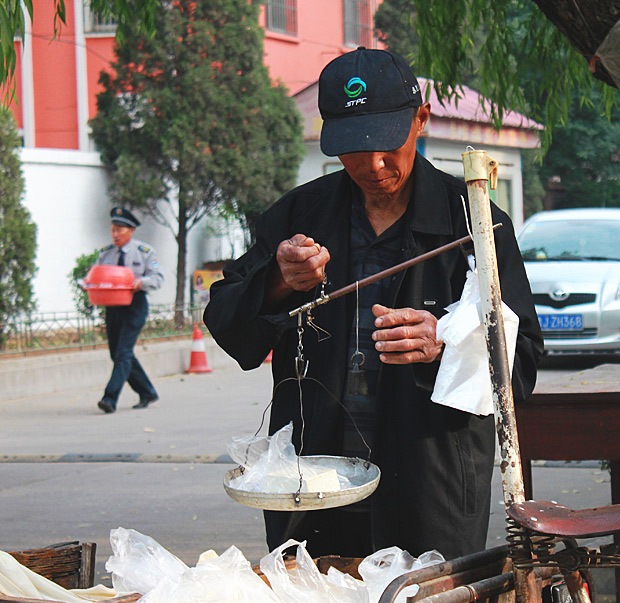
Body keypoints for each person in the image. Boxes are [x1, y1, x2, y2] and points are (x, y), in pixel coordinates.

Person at [204, 48, 542, 561]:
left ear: (421, 120)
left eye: (386, 144)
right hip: (314, 488)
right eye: (354, 149)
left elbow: (523, 367)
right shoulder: (300, 214)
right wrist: (277, 280)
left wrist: (446, 343)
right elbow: (229, 326)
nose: (374, 164)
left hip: (431, 487)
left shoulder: (471, 221)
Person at [94, 207, 163, 413]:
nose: (115, 234)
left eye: (119, 230)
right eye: (113, 230)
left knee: (123, 352)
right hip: (113, 307)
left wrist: (141, 282)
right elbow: (96, 276)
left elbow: (158, 278)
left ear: (131, 230)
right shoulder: (106, 254)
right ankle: (147, 391)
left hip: (135, 305)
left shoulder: (145, 252)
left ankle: (109, 398)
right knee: (117, 354)